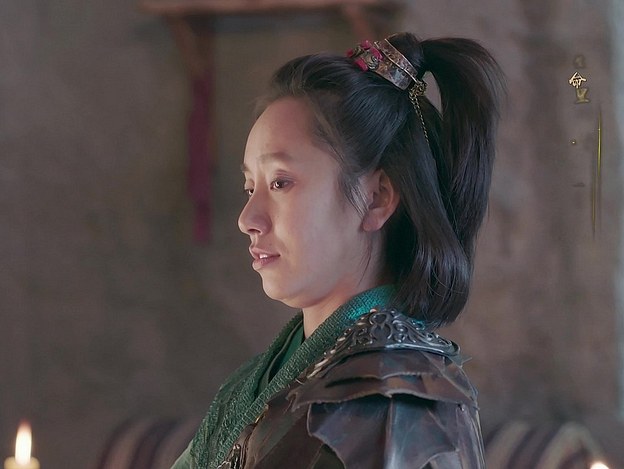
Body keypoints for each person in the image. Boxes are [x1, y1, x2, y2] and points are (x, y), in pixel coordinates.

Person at [172, 31, 503, 469]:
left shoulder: (396, 401)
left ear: (377, 198)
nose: (247, 218)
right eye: (250, 187)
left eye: (280, 183)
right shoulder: (254, 384)